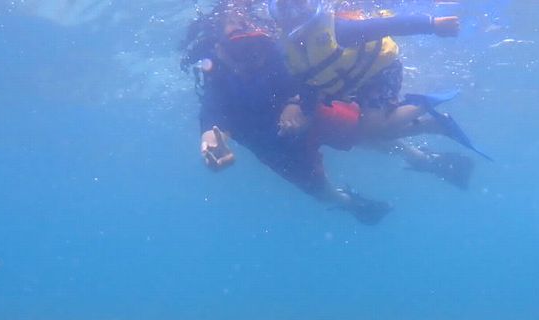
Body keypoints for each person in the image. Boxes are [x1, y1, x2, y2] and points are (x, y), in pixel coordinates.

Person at [182, 7, 394, 225]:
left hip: (310, 112)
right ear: (219, 49)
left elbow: (310, 76)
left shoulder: (274, 46)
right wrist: (211, 146)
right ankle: (352, 204)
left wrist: (296, 102)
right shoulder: (217, 77)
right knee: (319, 190)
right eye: (235, 45)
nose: (247, 53)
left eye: (246, 33)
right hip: (271, 144)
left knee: (365, 131)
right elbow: (212, 117)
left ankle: (412, 155)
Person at [268, 0, 461, 141]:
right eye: (284, 8)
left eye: (298, 4)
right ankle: (434, 125)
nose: (294, 14)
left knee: (372, 129)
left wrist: (431, 24)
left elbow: (386, 25)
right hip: (355, 84)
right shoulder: (288, 50)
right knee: (369, 134)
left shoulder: (339, 30)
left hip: (381, 72)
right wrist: (298, 107)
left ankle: (423, 104)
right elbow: (308, 82)